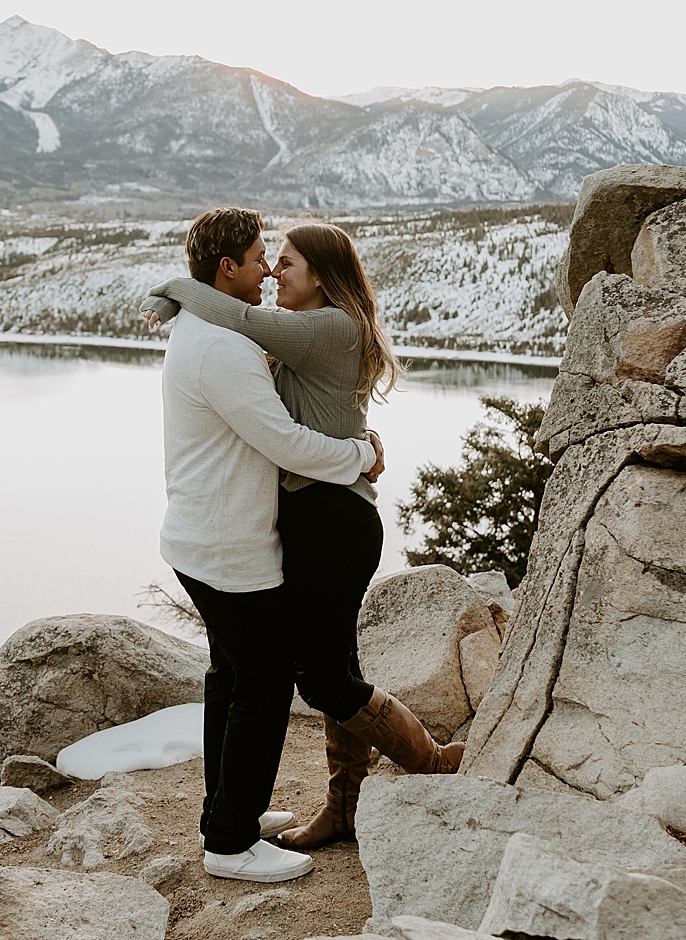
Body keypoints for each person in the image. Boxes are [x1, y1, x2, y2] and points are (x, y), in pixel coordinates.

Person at [143, 219, 462, 854]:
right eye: (268, 260)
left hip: (334, 521)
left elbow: (238, 318)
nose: (273, 272)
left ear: (319, 274)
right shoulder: (305, 335)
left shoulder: (331, 327)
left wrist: (172, 292)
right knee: (331, 663)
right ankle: (344, 804)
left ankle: (427, 761)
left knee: (320, 678)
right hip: (310, 518)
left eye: (284, 262)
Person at [155, 206, 386, 884]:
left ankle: (226, 812)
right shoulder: (223, 347)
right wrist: (359, 454)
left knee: (230, 677)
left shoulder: (205, 327)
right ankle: (230, 843)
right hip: (229, 545)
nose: (266, 269)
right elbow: (284, 441)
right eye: (261, 257)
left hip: (206, 534)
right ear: (227, 268)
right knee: (261, 684)